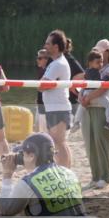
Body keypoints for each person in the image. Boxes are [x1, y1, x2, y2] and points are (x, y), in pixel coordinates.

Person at [0, 132, 85, 216]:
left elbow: (6, 209)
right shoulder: (69, 173)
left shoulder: (28, 183)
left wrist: (7, 174)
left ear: (31, 156)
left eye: (23, 154)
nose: (22, 158)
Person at [80, 39, 109, 190]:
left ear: (108, 52)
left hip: (100, 108)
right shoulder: (91, 68)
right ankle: (95, 176)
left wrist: (88, 98)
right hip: (88, 108)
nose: (97, 52)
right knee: (90, 144)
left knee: (101, 142)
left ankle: (105, 177)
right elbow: (84, 84)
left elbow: (103, 88)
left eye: (100, 50)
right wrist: (82, 98)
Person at [42, 30, 74, 167]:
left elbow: (42, 85)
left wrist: (42, 84)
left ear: (56, 47)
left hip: (59, 108)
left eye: (48, 43)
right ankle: (65, 171)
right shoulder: (54, 62)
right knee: (58, 142)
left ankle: (66, 172)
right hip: (54, 108)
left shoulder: (58, 64)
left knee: (59, 142)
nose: (45, 46)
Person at [71, 48, 104, 134]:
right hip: (90, 92)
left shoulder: (87, 71)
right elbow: (99, 84)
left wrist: (81, 93)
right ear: (90, 63)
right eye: (98, 62)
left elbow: (84, 82)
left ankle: (77, 122)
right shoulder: (96, 72)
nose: (101, 64)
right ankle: (77, 122)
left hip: (86, 91)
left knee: (81, 107)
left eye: (101, 62)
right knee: (83, 107)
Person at [34, 49, 51, 132]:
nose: (38, 60)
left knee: (43, 129)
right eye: (37, 58)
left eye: (40, 58)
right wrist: (37, 98)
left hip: (46, 104)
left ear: (46, 59)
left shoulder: (48, 71)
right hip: (40, 102)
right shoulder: (41, 69)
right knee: (37, 126)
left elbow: (42, 87)